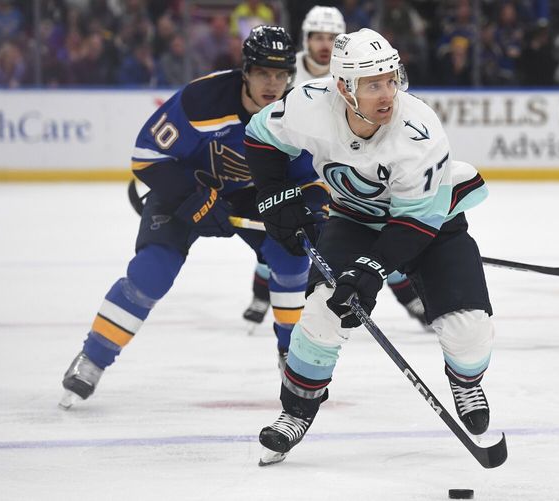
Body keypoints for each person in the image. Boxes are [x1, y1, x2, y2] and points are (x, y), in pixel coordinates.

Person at [244, 28, 495, 465]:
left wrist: (370, 271)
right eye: (373, 84)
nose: (387, 94)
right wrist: (274, 194)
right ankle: (296, 411)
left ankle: (465, 379)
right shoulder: (309, 104)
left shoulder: (418, 132)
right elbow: (260, 135)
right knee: (323, 312)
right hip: (355, 219)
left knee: (468, 332)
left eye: (391, 80)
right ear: (343, 87)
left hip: (432, 225)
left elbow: (415, 221)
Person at [59, 26, 327, 409]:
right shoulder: (203, 100)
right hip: (186, 187)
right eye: (263, 73)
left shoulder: (297, 115)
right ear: (245, 72)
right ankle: (93, 358)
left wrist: (310, 211)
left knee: (292, 257)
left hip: (254, 195)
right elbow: (147, 157)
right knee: (151, 273)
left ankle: (293, 360)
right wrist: (193, 199)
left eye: (281, 74)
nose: (273, 83)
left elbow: (313, 178)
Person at [242, 5, 430, 331]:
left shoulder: (360, 67)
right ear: (306, 38)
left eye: (331, 37)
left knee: (380, 231)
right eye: (317, 37)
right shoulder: (289, 72)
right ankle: (262, 294)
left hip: (348, 170)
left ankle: (408, 295)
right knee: (283, 234)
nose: (324, 44)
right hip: (304, 170)